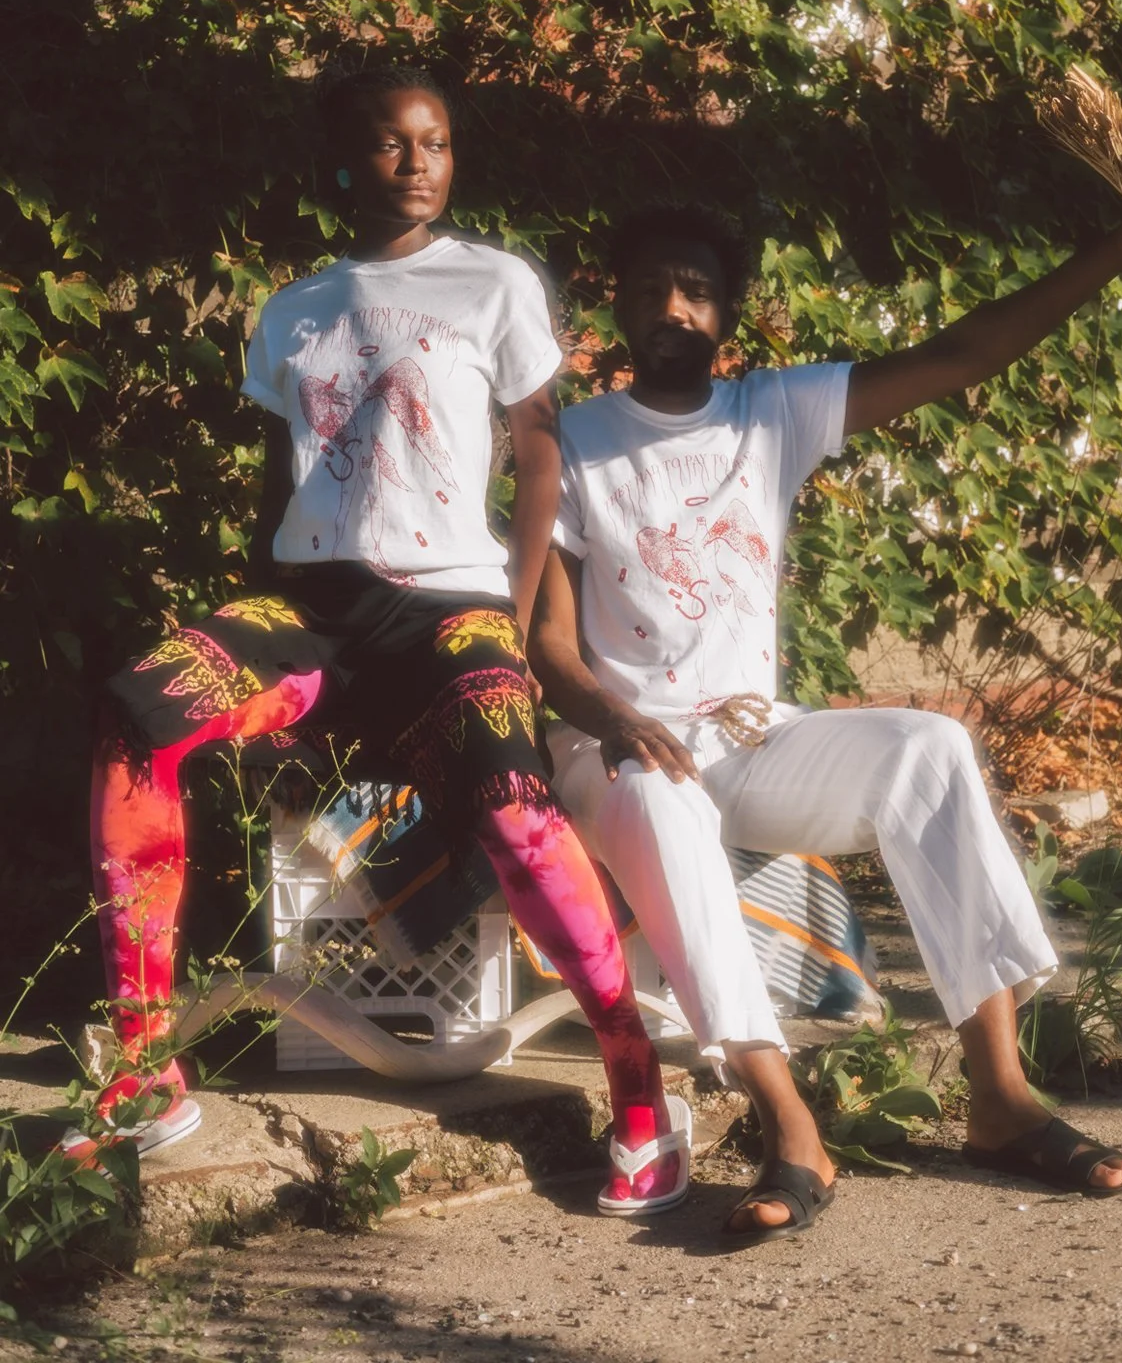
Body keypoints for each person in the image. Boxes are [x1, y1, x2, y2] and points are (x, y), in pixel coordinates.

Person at [75, 64, 688, 1216]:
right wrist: (260, 633)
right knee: (134, 714)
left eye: (437, 142)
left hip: (449, 603)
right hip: (314, 610)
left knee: (513, 804)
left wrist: (512, 617)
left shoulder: (494, 283)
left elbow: (540, 459)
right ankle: (143, 1066)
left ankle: (636, 1077)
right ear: (345, 163)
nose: (418, 163)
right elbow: (280, 487)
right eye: (394, 143)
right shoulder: (293, 310)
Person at [530, 198, 1122, 1242]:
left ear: (728, 311)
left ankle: (1000, 1096)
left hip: (752, 735)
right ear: (617, 304)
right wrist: (615, 719)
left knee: (930, 747)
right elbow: (549, 645)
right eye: (651, 287)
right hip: (617, 748)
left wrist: (1117, 248)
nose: (673, 307)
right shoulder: (572, 444)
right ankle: (787, 1121)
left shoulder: (770, 415)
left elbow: (964, 354)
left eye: (696, 290)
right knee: (657, 793)